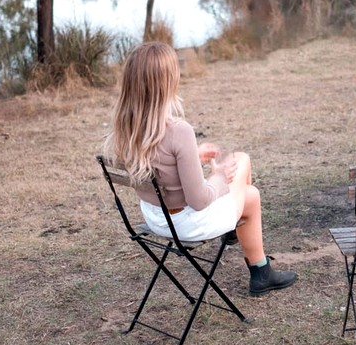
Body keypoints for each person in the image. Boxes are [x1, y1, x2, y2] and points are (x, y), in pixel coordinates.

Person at [104, 41, 297, 296]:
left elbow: (159, 163)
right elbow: (199, 200)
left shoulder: (126, 128)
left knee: (243, 161)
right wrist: (219, 177)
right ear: (168, 82)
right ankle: (259, 271)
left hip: (156, 218)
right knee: (250, 190)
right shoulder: (177, 131)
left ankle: (239, 239)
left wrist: (193, 155)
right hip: (187, 223)